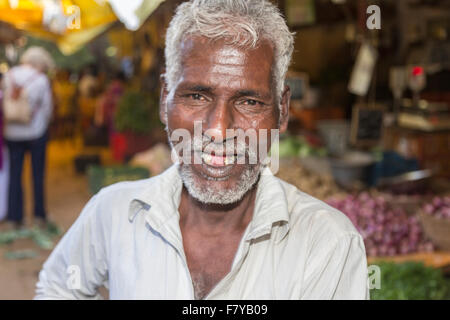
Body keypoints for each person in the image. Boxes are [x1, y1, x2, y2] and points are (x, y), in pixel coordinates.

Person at [35, 0, 369, 300]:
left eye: (250, 101)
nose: (218, 130)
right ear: (165, 99)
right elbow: (57, 287)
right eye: (196, 96)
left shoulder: (327, 244)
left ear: (282, 110)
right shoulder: (114, 213)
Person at [2, 47, 54, 229]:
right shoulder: (41, 79)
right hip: (35, 132)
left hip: (12, 133)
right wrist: (43, 123)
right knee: (37, 175)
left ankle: (14, 217)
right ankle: (39, 215)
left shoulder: (9, 75)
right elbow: (47, 108)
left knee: (14, 175)